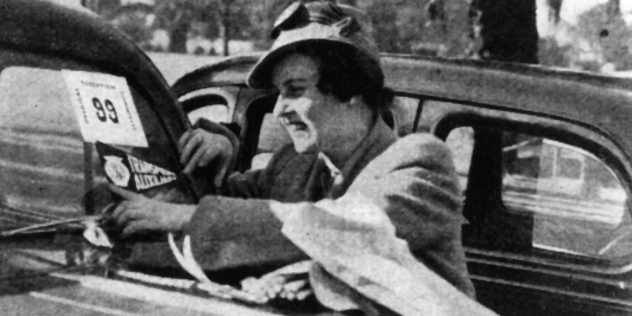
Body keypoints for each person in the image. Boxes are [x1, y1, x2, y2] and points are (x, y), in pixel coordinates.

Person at [110, 1, 477, 314]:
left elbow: (344, 228)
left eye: (295, 90)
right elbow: (226, 203)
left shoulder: (420, 162)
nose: (280, 109)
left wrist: (183, 217)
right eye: (278, 93)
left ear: (349, 89)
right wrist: (219, 148)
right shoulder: (297, 166)